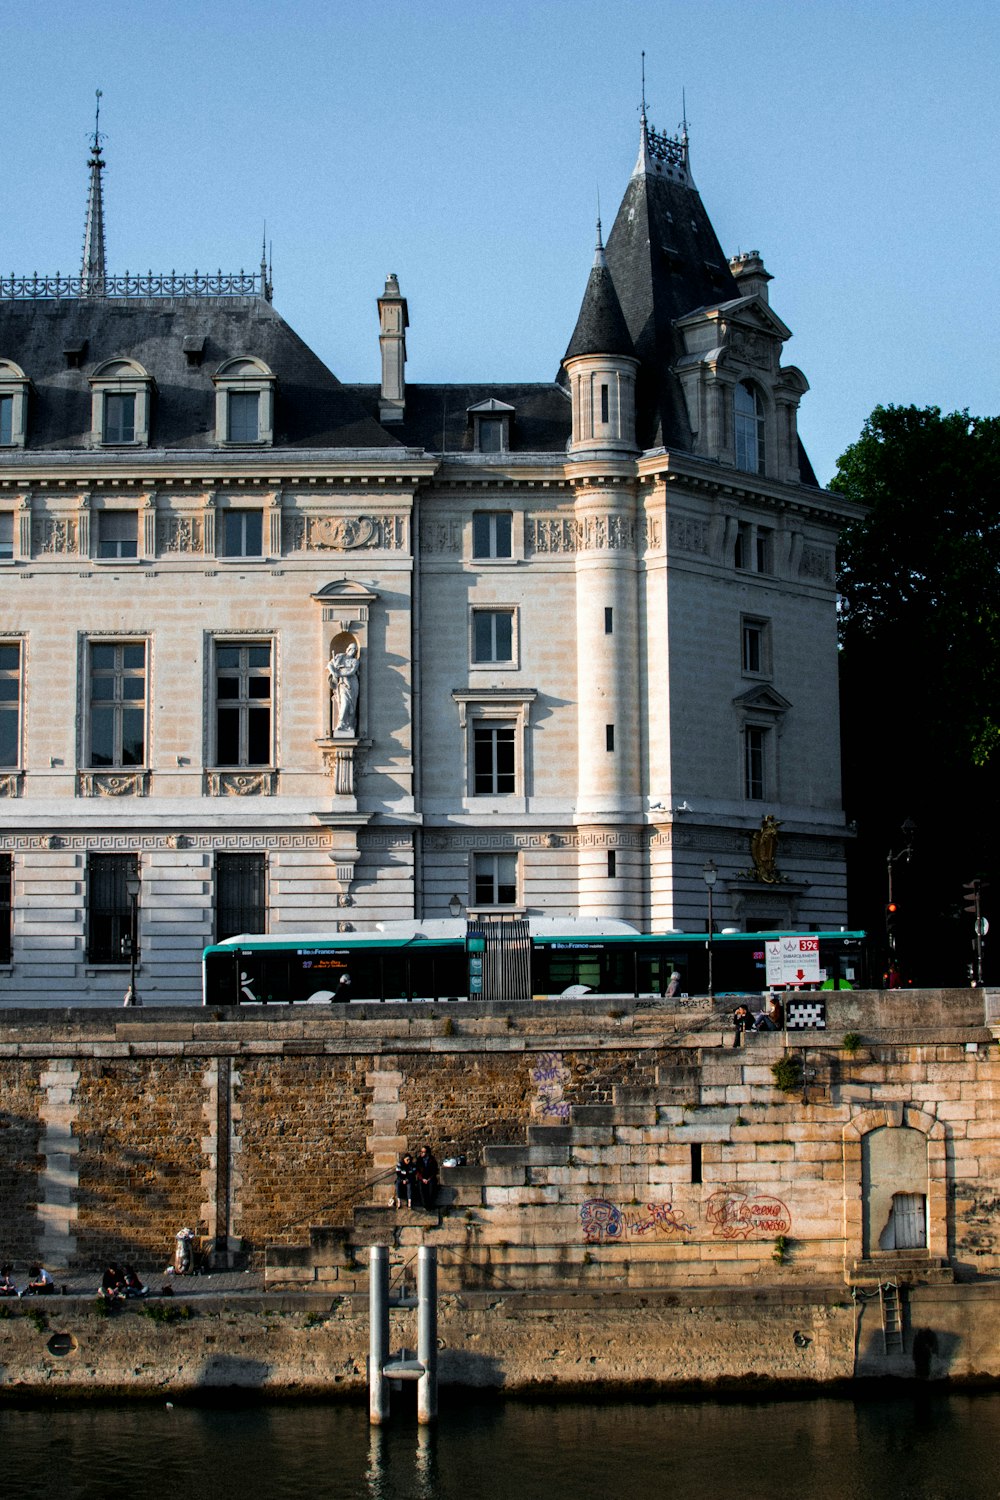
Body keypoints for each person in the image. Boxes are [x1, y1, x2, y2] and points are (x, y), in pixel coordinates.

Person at [327, 642, 360, 735]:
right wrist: (334, 673)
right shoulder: (340, 657)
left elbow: (352, 672)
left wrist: (340, 674)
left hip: (352, 684)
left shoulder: (355, 661)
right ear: (348, 649)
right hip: (342, 684)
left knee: (351, 705)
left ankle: (349, 725)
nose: (353, 651)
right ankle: (341, 723)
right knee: (344, 703)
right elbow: (330, 665)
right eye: (351, 649)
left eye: (355, 650)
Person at [414, 1144, 439, 1210]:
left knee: (431, 1188)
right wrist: (422, 1179)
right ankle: (424, 1204)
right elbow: (417, 1171)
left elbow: (434, 1171)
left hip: (430, 1178)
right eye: (421, 1152)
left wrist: (429, 1179)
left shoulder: (432, 1160)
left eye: (423, 1152)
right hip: (422, 1178)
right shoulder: (419, 1160)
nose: (421, 1153)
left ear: (427, 1153)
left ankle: (430, 1204)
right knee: (421, 1188)